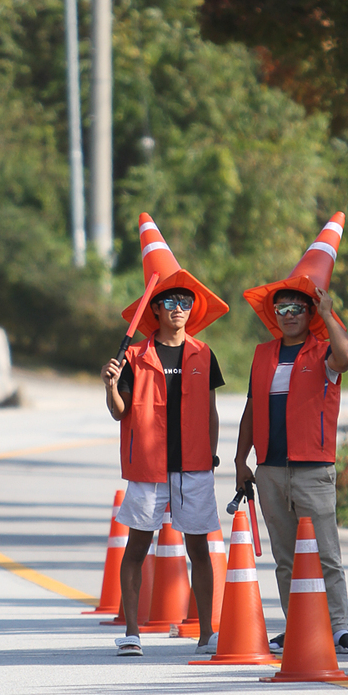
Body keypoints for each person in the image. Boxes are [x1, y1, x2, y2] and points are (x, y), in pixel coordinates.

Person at [235, 214, 348, 655]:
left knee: (326, 553)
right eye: (282, 309)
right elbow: (251, 409)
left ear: (310, 314)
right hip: (271, 469)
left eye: (297, 308)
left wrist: (328, 314)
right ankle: (297, 627)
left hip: (313, 469)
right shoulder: (263, 354)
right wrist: (240, 460)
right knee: (286, 557)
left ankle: (339, 627)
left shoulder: (324, 352)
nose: (288, 315)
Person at [102, 213, 228, 658]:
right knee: (137, 546)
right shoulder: (135, 356)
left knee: (200, 549)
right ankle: (132, 632)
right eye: (170, 300)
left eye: (185, 300)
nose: (178, 307)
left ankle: (207, 633)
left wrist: (211, 455)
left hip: (193, 467)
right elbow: (119, 413)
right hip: (148, 469)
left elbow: (211, 411)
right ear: (154, 308)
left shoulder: (203, 353)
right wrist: (110, 386)